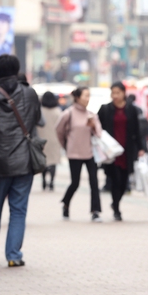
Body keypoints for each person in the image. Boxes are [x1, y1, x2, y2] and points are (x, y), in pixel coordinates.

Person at [0, 54, 42, 267]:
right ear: (17, 69)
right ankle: (13, 255)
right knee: (18, 210)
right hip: (23, 162)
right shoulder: (30, 94)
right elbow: (36, 120)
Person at [98, 82, 146, 221]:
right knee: (114, 179)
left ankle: (115, 203)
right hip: (111, 152)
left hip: (127, 151)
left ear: (124, 93)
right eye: (113, 93)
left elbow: (137, 130)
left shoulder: (131, 109)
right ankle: (117, 209)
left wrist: (141, 147)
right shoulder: (105, 109)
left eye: (118, 93)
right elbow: (98, 128)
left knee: (124, 182)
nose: (115, 96)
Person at [56, 87, 102, 222]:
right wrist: (66, 146)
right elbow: (59, 131)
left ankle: (96, 211)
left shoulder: (92, 115)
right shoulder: (68, 114)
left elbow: (99, 134)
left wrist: (93, 125)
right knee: (75, 183)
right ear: (77, 97)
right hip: (74, 154)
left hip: (90, 153)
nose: (87, 99)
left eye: (89, 96)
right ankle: (65, 203)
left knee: (94, 181)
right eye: (85, 96)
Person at [40, 92, 62, 192]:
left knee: (43, 161)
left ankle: (43, 180)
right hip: (54, 140)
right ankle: (52, 182)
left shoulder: (40, 111)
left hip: (42, 139)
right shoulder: (57, 111)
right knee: (53, 162)